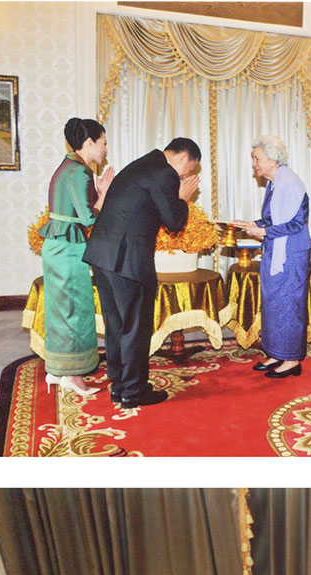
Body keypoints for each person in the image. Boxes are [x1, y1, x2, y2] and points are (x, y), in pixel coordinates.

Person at [83, 138, 201, 408]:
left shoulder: (142, 164)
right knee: (135, 328)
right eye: (190, 169)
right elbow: (174, 221)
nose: (187, 176)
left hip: (102, 255)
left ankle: (120, 385)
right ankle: (134, 392)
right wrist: (183, 199)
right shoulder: (165, 172)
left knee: (116, 325)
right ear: (183, 158)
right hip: (127, 260)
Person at [40, 117, 115, 396]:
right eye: (103, 143)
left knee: (62, 309)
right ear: (89, 143)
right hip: (68, 248)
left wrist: (98, 191)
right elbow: (88, 217)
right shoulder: (79, 171)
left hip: (59, 246)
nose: (105, 149)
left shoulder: (69, 166)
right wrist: (104, 193)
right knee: (74, 309)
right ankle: (72, 375)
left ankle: (58, 371)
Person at [232, 135, 311, 378]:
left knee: (289, 305)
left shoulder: (290, 183)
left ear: (273, 160)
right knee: (274, 303)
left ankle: (292, 360)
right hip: (276, 249)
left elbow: (295, 224)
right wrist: (251, 224)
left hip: (291, 253)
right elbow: (272, 219)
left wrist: (264, 231)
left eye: (257, 158)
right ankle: (277, 353)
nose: (254, 163)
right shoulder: (274, 183)